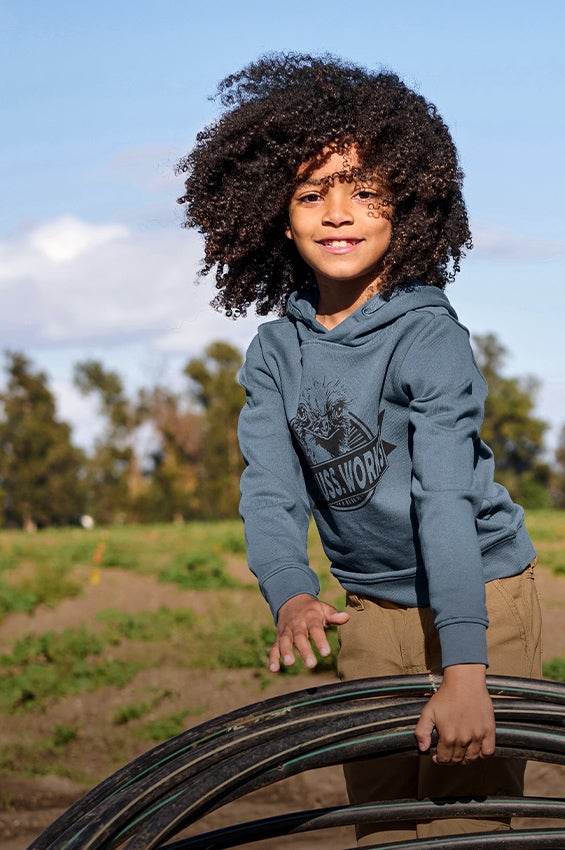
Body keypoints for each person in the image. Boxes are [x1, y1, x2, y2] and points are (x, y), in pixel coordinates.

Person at [178, 52, 542, 845]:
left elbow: (442, 498)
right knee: (380, 829)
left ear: (405, 208)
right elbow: (270, 487)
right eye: (313, 194)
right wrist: (292, 593)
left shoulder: (427, 336)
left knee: (464, 830)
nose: (337, 213)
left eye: (365, 192)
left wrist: (467, 672)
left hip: (479, 601)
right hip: (370, 610)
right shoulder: (276, 353)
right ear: (280, 213)